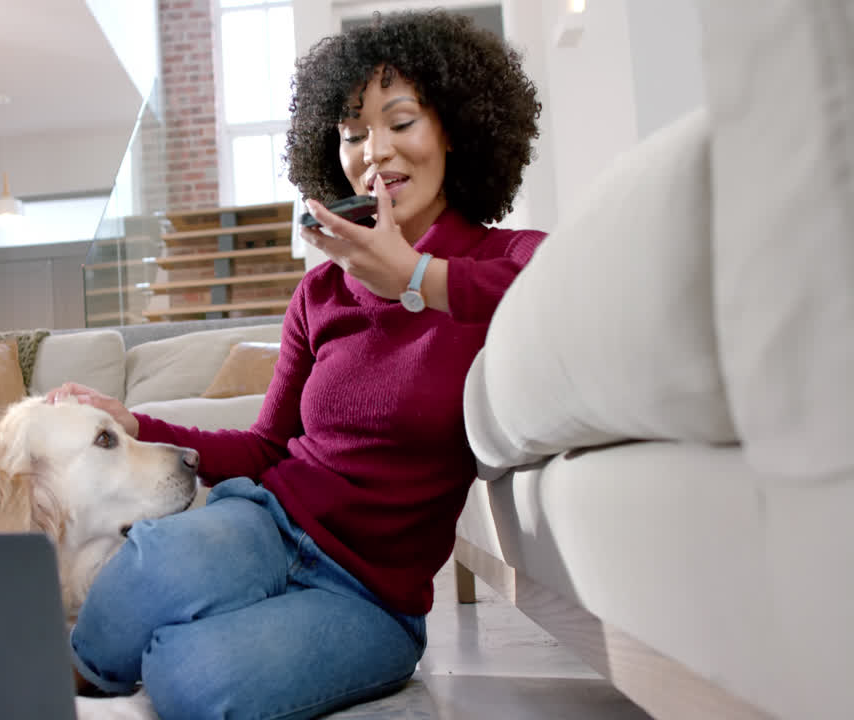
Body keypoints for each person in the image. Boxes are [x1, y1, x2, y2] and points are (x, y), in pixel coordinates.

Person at [50, 9, 545, 719]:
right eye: (352, 133)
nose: (373, 152)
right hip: (266, 521)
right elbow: (265, 445)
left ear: (457, 130)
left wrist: (417, 276)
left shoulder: (500, 261)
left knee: (196, 678)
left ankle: (174, 650)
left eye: (401, 121)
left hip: (372, 597)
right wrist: (136, 421)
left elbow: (567, 281)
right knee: (150, 563)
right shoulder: (321, 290)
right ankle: (84, 676)